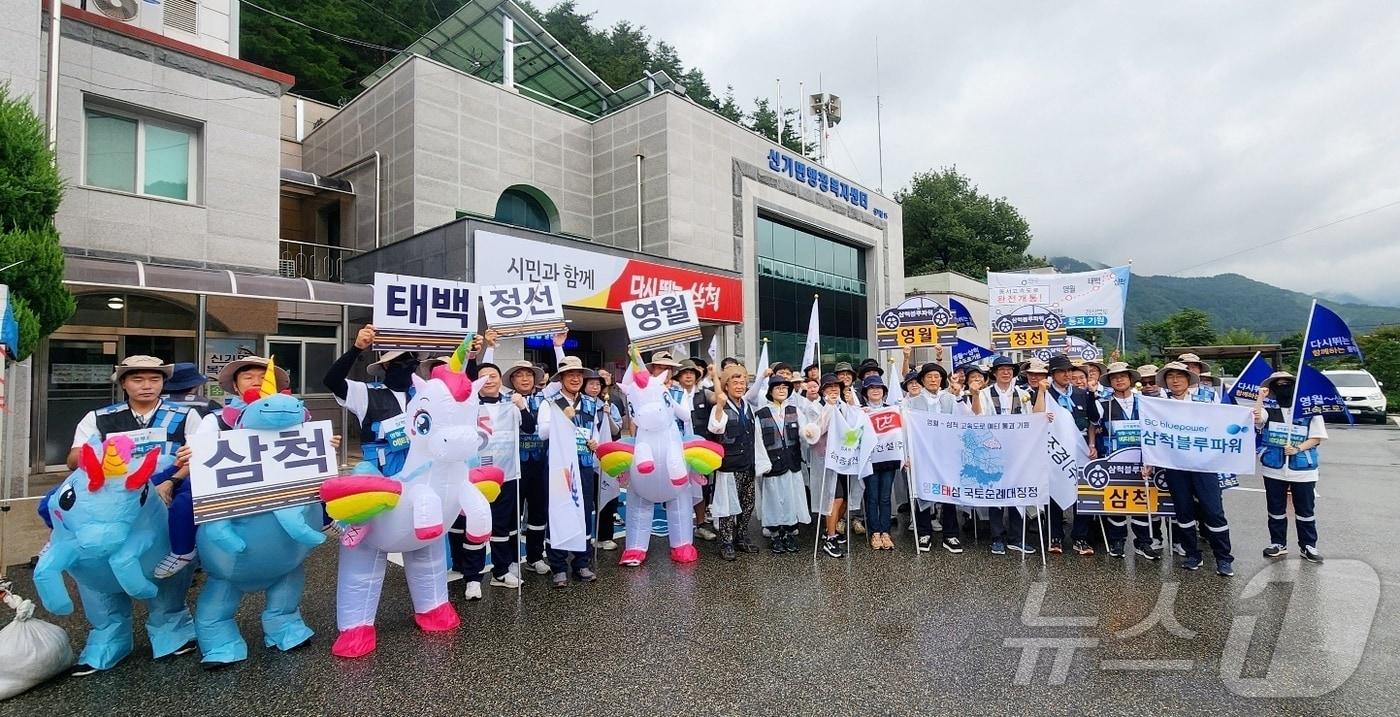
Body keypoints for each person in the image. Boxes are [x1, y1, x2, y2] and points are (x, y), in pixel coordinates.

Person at [50, 356, 200, 579]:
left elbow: (198, 457)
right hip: (114, 491)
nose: (147, 386)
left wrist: (172, 481)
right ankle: (57, 543)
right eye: (138, 380)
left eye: (154, 379)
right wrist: (101, 452)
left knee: (186, 506)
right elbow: (73, 460)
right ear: (123, 383)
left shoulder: (187, 415)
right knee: (54, 501)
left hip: (166, 482)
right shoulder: (98, 417)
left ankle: (184, 553)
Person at [1143, 362, 1235, 576]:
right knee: (1183, 512)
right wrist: (1149, 462)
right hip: (1175, 465)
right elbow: (1151, 435)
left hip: (1205, 464)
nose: (1175, 380)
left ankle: (1223, 558)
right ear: (1165, 381)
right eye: (1170, 377)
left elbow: (1223, 422)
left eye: (1179, 376)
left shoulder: (1206, 398)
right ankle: (1192, 554)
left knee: (1213, 512)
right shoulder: (1158, 404)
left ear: (1188, 379)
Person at [457, 360, 528, 600]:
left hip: (507, 476)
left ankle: (501, 572)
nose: (489, 379)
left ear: (501, 380)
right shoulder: (468, 407)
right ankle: (473, 578)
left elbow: (529, 427)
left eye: (493, 375)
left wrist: (524, 408)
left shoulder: (512, 403)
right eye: (484, 376)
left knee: (502, 528)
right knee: (476, 528)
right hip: (476, 479)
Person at [323, 324, 421, 477]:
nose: (409, 369)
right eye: (403, 363)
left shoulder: (422, 395)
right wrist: (357, 348)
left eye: (414, 364)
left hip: (417, 481)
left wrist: (470, 357)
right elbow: (332, 381)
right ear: (386, 365)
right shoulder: (366, 393)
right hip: (381, 484)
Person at [544, 356, 604, 587]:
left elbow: (594, 431)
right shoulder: (551, 402)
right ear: (561, 379)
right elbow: (542, 432)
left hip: (584, 464)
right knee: (559, 510)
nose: (576, 378)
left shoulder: (591, 403)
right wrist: (562, 420)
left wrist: (595, 443)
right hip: (560, 468)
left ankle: (582, 562)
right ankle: (558, 566)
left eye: (579, 374)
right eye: (570, 374)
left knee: (584, 511)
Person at [1255, 372, 1326, 563]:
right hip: (1273, 467)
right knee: (1275, 509)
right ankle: (1278, 543)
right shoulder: (1270, 409)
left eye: (1287, 384)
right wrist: (1260, 397)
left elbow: (1317, 437)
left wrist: (1297, 449)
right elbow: (1256, 419)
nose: (1283, 387)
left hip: (1303, 469)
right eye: (1278, 385)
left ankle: (1308, 545)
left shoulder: (1310, 410)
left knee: (1305, 510)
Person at [1096, 362, 1159, 560]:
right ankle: (1117, 540)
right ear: (1110, 381)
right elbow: (1093, 427)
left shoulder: (1147, 402)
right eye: (1114, 377)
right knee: (1116, 500)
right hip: (1113, 458)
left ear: (1131, 379)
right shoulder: (1102, 403)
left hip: (1142, 460)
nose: (1119, 380)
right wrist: (1093, 446)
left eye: (1123, 376)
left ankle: (1143, 542)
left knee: (1142, 500)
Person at [1041, 355, 1101, 556]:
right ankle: (1055, 536)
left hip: (1080, 447)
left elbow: (1093, 421)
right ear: (1053, 374)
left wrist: (1091, 444)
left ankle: (1080, 536)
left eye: (1069, 371)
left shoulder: (1081, 393)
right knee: (1055, 489)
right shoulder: (1044, 393)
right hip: (1054, 449)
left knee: (1082, 492)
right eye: (1061, 371)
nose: (1067, 375)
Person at [980, 357, 1036, 556]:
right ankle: (997, 537)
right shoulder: (984, 394)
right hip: (993, 450)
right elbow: (978, 419)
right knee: (996, 493)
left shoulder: (1023, 394)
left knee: (1016, 493)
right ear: (994, 373)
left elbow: (1030, 421)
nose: (1006, 373)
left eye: (1009, 369)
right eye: (1001, 369)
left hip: (1017, 451)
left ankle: (1017, 537)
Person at [904, 362, 963, 553]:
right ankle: (924, 532)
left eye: (936, 376)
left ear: (941, 380)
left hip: (946, 454)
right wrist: (908, 455)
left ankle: (950, 534)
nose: (932, 380)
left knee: (948, 493)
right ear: (922, 380)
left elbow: (959, 425)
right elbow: (906, 432)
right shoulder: (911, 403)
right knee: (923, 491)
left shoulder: (950, 400)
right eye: (929, 376)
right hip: (922, 454)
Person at [504, 359, 552, 576]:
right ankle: (512, 559)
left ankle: (535, 556)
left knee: (539, 514)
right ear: (512, 380)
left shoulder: (547, 399)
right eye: (519, 375)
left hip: (541, 465)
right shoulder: (504, 400)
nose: (525, 379)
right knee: (512, 515)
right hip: (514, 466)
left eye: (529, 375)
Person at [706, 364, 758, 560]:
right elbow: (716, 428)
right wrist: (719, 406)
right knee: (727, 507)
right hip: (729, 466)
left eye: (742, 382)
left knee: (748, 503)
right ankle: (726, 542)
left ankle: (742, 536)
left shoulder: (748, 406)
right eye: (735, 382)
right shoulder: (721, 406)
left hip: (748, 464)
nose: (739, 386)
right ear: (726, 386)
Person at [755, 375, 809, 554]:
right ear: (770, 391)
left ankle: (789, 533)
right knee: (773, 500)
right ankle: (775, 535)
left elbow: (806, 433)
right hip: (772, 464)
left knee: (792, 498)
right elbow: (758, 442)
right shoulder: (761, 414)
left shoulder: (795, 410)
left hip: (792, 462)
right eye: (777, 387)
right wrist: (762, 464)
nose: (781, 390)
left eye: (785, 387)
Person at [807, 373, 858, 558]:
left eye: (837, 386)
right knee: (833, 499)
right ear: (823, 390)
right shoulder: (815, 407)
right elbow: (815, 431)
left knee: (844, 499)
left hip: (844, 459)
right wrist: (828, 407)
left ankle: (832, 527)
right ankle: (830, 537)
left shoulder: (844, 406)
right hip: (826, 461)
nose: (834, 389)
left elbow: (854, 426)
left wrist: (853, 406)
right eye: (829, 387)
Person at [586, 371, 624, 552]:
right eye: (591, 384)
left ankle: (605, 536)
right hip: (585, 459)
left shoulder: (609, 405)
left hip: (605, 458)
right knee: (587, 500)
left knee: (608, 498)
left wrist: (607, 415)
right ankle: (585, 538)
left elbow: (616, 430)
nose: (594, 388)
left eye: (597, 385)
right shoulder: (579, 405)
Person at [860, 375, 899, 550]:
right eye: (871, 388)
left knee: (885, 497)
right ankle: (874, 532)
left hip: (889, 459)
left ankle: (885, 531)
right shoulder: (860, 411)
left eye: (879, 388)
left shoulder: (892, 410)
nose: (875, 390)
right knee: (872, 497)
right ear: (866, 393)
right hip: (870, 460)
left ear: (884, 392)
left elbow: (900, 434)